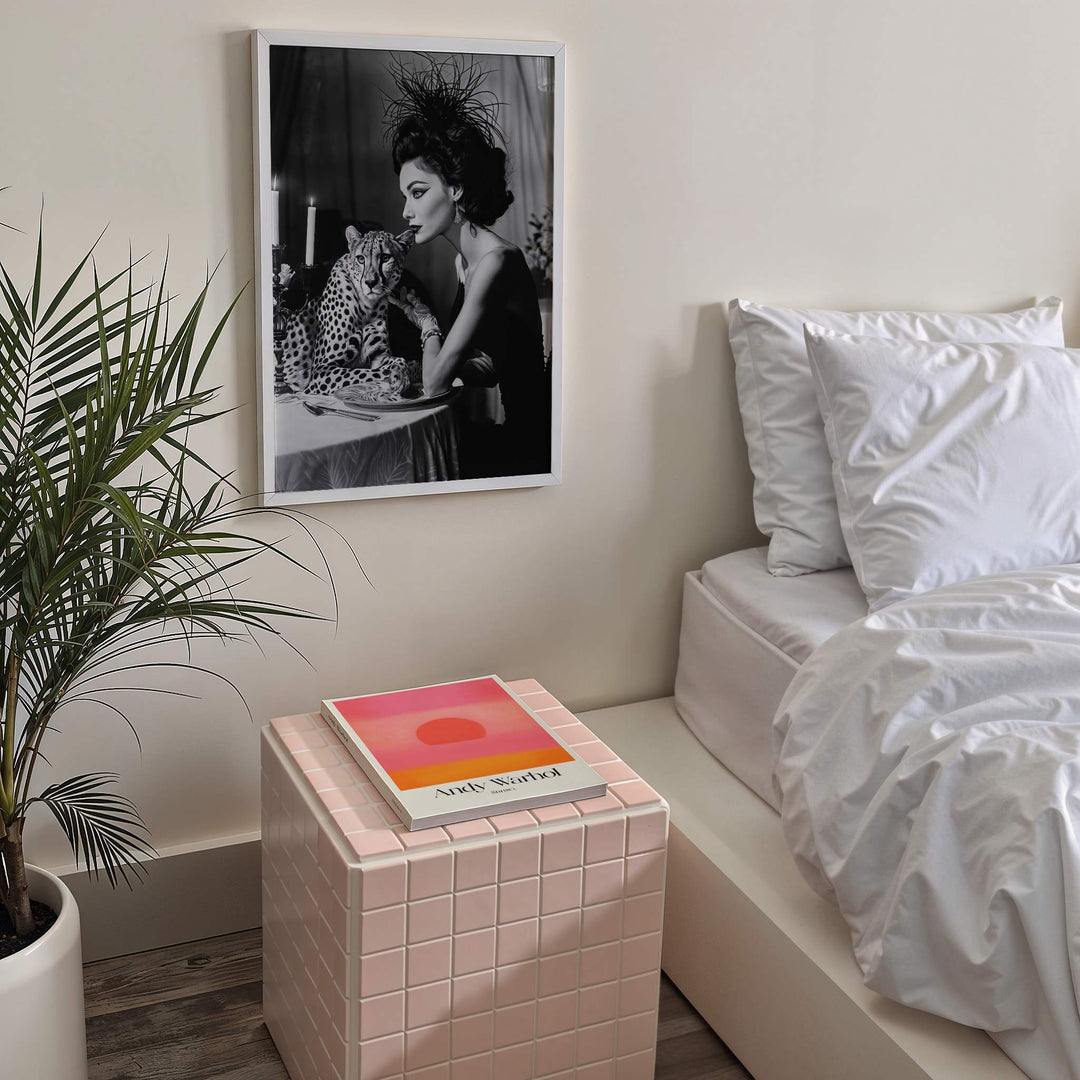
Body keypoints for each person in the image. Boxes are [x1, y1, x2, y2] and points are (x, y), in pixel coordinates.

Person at [385, 56, 551, 478]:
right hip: (513, 441)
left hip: (532, 453)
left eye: (418, 193)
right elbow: (493, 367)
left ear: (456, 188)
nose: (406, 210)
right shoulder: (467, 261)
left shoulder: (497, 262)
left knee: (411, 464)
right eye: (405, 195)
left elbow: (438, 382)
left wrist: (424, 322)